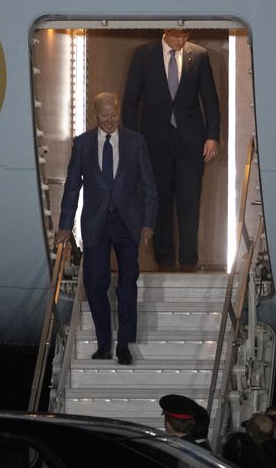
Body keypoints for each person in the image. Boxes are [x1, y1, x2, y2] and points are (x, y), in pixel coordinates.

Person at [56, 92, 157, 365]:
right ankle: (103, 345)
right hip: (95, 224)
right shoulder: (83, 144)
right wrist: (65, 225)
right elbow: (72, 187)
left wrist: (148, 222)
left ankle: (124, 344)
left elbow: (148, 186)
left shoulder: (136, 142)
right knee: (94, 284)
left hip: (127, 224)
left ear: (119, 111)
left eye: (114, 115)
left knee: (127, 285)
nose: (110, 120)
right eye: (104, 116)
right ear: (95, 114)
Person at [122, 28, 220, 273]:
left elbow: (210, 100)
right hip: (154, 140)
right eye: (177, 36)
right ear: (166, 33)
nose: (182, 41)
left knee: (190, 199)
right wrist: (133, 140)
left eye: (185, 36)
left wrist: (212, 137)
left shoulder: (199, 55)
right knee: (159, 199)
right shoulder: (144, 55)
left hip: (190, 141)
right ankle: (164, 258)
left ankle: (189, 260)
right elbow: (130, 101)